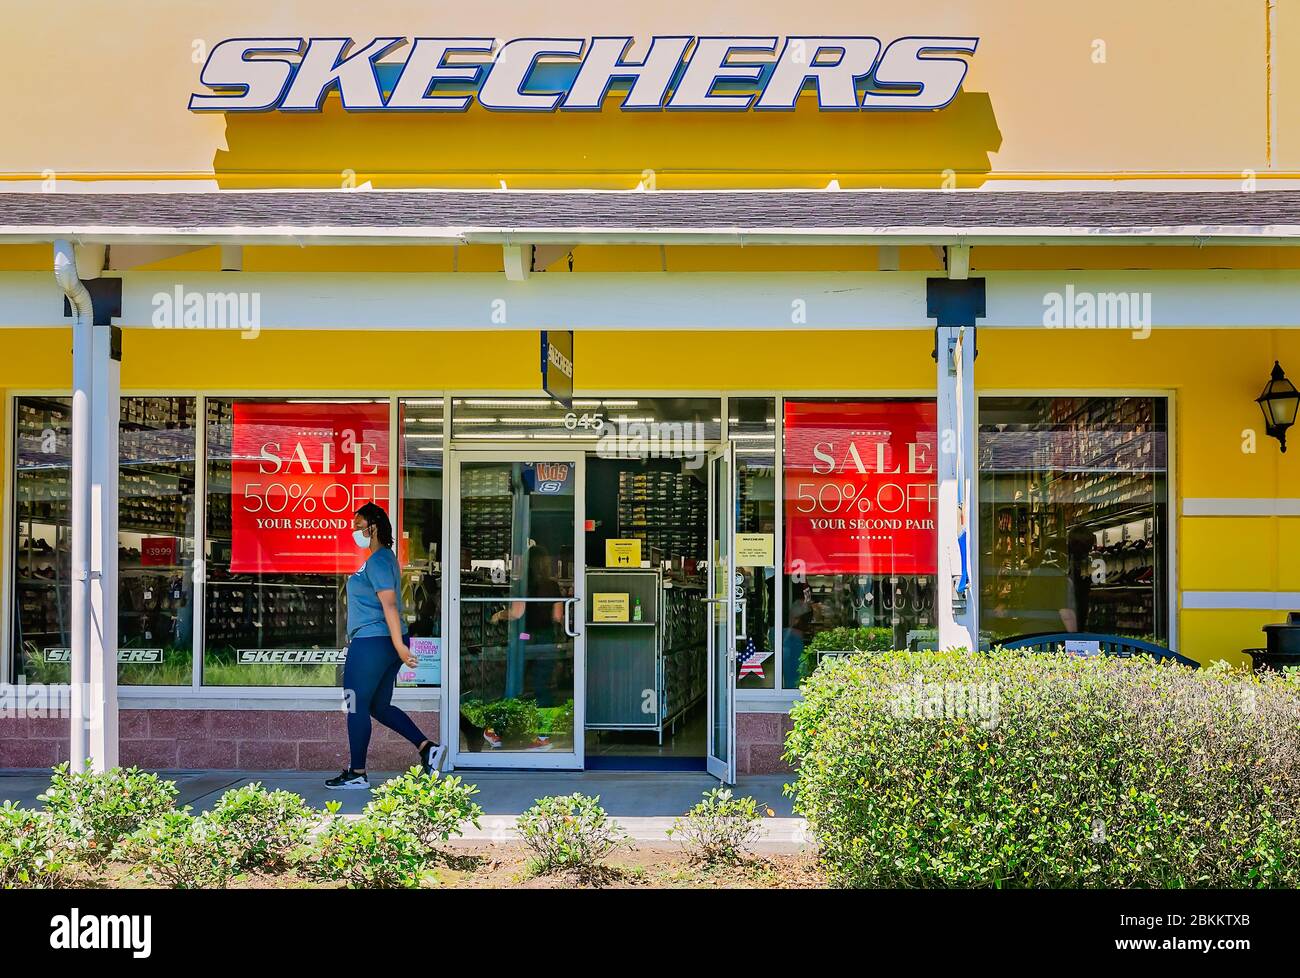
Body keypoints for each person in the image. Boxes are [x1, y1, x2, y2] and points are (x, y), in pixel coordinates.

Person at [326, 502, 443, 789]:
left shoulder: (378, 561)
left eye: (358, 524)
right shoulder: (382, 558)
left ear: (373, 527)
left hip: (373, 641)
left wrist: (398, 647)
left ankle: (357, 774)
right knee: (378, 705)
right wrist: (398, 645)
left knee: (354, 703)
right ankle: (427, 748)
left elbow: (389, 604)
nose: (354, 530)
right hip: (384, 641)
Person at [489, 543, 563, 751]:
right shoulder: (553, 585)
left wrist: (499, 615)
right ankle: (543, 736)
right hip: (547, 638)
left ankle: (499, 732)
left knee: (515, 684)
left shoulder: (523, 584)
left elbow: (517, 613)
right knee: (543, 687)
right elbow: (558, 617)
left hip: (526, 637)